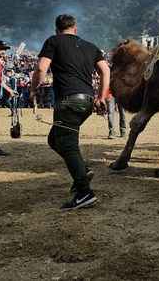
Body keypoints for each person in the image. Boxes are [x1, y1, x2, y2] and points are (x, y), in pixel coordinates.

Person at [31, 14, 110, 211]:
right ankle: (81, 170)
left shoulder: (53, 41)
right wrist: (101, 97)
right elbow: (105, 70)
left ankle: (85, 193)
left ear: (57, 29)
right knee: (54, 139)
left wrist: (34, 88)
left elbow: (41, 68)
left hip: (68, 101)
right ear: (75, 29)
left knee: (67, 144)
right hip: (87, 102)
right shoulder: (91, 46)